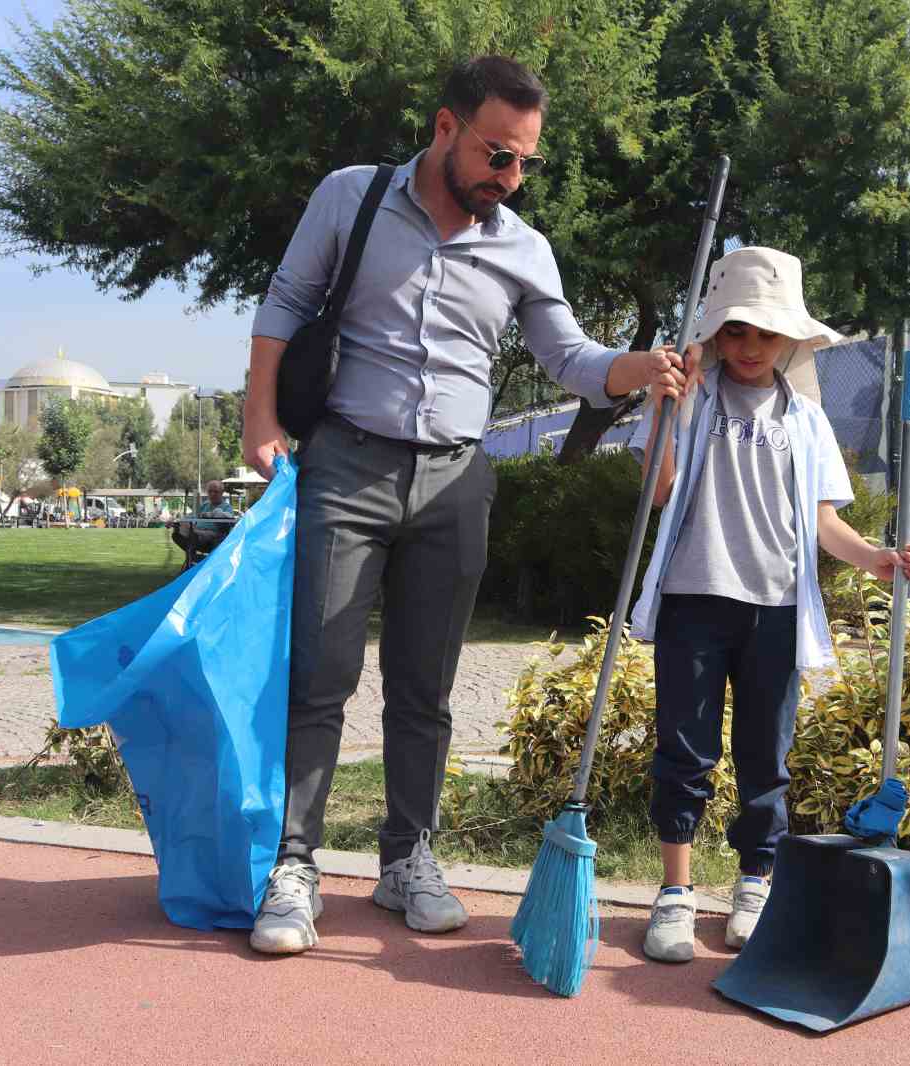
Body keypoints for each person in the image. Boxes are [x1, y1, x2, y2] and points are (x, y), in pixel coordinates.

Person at [240, 55, 691, 955]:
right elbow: (285, 299)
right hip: (346, 465)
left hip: (456, 479)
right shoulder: (353, 197)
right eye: (495, 153)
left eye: (524, 162)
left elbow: (567, 356)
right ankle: (294, 866)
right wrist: (259, 420)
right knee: (319, 674)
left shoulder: (522, 246)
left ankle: (407, 857)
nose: (508, 177)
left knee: (425, 686)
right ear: (446, 129)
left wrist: (631, 368)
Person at [626, 245, 910, 964]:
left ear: (790, 339)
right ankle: (675, 892)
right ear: (714, 335)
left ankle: (754, 883)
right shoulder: (688, 403)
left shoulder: (808, 421)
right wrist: (665, 406)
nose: (751, 347)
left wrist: (876, 559)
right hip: (693, 598)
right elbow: (658, 491)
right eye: (735, 331)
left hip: (778, 607)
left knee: (767, 756)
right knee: (684, 750)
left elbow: (824, 524)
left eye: (765, 333)